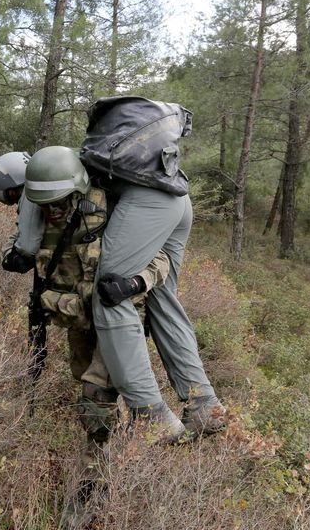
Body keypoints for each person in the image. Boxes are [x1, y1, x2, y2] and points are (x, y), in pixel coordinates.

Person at [0, 147, 170, 447]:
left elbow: (161, 259)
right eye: (44, 206)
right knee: (92, 390)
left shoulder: (109, 211)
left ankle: (96, 477)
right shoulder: (37, 218)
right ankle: (116, 439)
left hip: (118, 316)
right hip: (80, 320)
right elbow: (16, 247)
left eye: (58, 203)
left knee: (95, 396)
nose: (53, 211)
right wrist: (16, 257)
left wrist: (134, 283)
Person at [90, 174, 226, 443]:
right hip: (175, 192)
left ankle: (151, 416)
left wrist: (134, 283)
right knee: (164, 299)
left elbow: (150, 261)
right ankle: (203, 403)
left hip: (149, 200)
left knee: (108, 293)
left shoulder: (88, 189)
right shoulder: (136, 162)